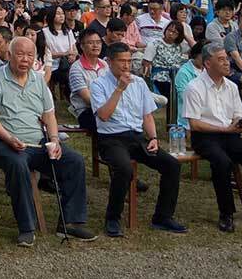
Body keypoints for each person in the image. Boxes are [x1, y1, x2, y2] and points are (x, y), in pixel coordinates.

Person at [0, 36, 95, 245]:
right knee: (17, 164)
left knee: (74, 161)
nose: (25, 59)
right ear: (9, 55)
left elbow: (49, 114)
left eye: (30, 55)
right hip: (2, 141)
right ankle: (26, 226)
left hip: (37, 142)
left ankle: (70, 223)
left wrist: (54, 140)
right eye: (20, 54)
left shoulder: (37, 80)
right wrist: (9, 138)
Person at [183, 42, 242, 232]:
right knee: (222, 163)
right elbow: (194, 124)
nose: (227, 63)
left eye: (226, 59)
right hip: (204, 136)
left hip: (229, 135)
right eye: (221, 60)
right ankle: (226, 214)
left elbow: (237, 114)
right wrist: (226, 130)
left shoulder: (231, 86)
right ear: (208, 64)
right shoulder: (194, 87)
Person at [91, 42, 186, 237]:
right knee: (124, 169)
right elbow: (103, 115)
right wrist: (119, 90)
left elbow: (147, 116)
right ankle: (113, 218)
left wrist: (153, 137)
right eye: (121, 61)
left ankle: (162, 217)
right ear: (109, 62)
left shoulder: (139, 83)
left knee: (172, 165)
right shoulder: (98, 84)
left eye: (129, 61)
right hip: (111, 137)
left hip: (136, 136)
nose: (126, 66)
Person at [67, 26, 109, 132]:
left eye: (98, 42)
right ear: (82, 46)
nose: (95, 46)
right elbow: (88, 99)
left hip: (107, 106)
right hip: (87, 111)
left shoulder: (104, 64)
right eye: (90, 43)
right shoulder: (76, 68)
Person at [173, 42, 205, 124]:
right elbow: (184, 97)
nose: (207, 59)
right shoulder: (183, 73)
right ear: (195, 54)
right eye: (204, 56)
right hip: (190, 118)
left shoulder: (210, 70)